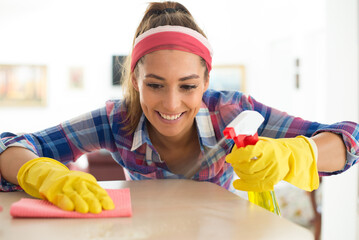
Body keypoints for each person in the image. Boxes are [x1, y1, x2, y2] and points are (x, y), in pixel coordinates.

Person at [0, 1, 358, 214]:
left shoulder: (232, 112)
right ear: (136, 80)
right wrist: (43, 173)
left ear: (206, 81)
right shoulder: (117, 120)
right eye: (155, 85)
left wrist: (298, 154)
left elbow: (350, 139)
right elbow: (11, 147)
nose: (171, 104)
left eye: (188, 86)